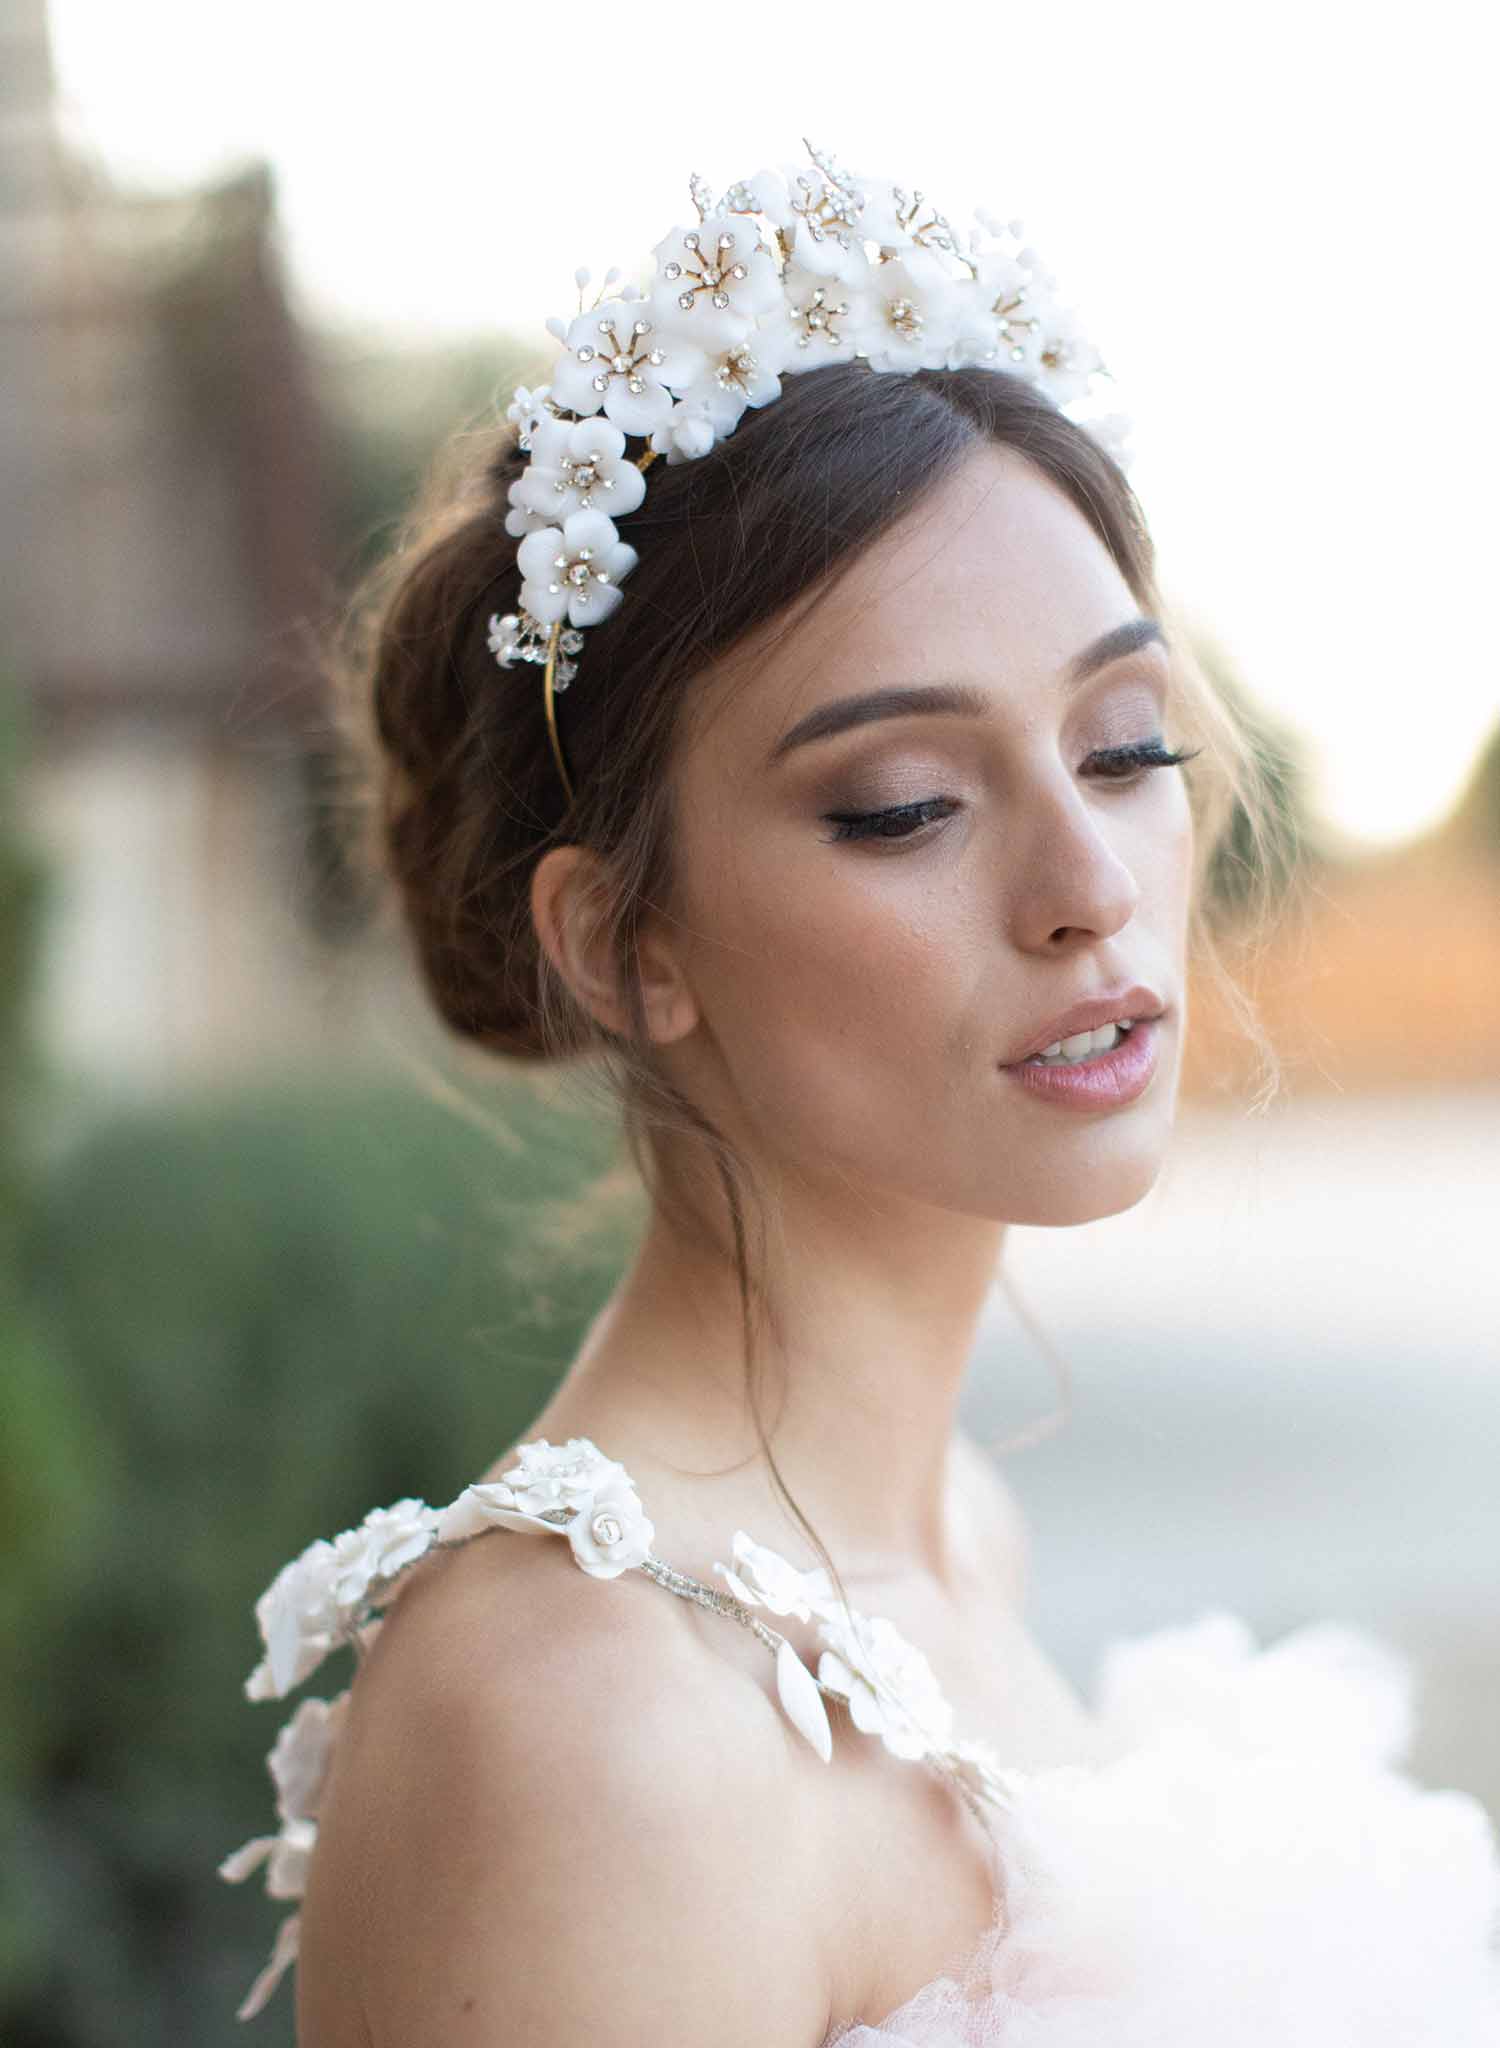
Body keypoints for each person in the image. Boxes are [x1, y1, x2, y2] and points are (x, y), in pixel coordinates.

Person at [219, 147, 1500, 2043]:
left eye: (1123, 743)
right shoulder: (588, 1713)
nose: (1088, 887)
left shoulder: (955, 1528)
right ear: (621, 944)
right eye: (902, 805)